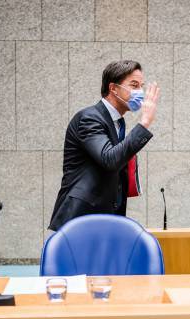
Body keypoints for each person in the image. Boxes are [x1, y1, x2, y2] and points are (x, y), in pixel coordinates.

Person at [48, 60, 160, 231]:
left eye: (141, 86)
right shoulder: (89, 118)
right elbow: (110, 159)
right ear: (113, 88)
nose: (140, 92)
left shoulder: (118, 122)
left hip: (106, 218)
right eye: (134, 85)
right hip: (81, 218)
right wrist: (144, 123)